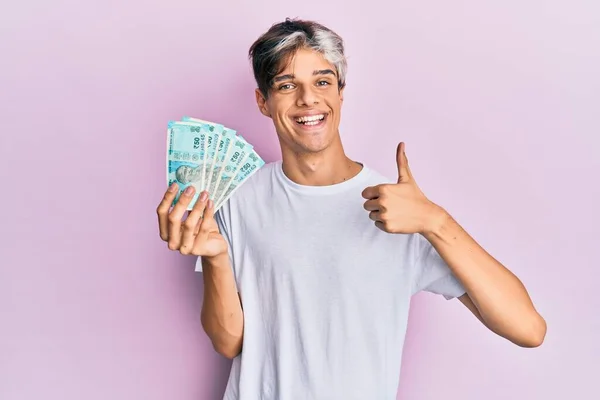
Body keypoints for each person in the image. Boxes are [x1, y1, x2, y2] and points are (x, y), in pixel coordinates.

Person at [156, 18, 546, 400]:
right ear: (263, 101)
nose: (308, 99)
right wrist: (218, 257)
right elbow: (228, 342)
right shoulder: (236, 199)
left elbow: (528, 329)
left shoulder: (399, 211)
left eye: (322, 81)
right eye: (287, 85)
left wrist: (435, 220)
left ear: (341, 92)